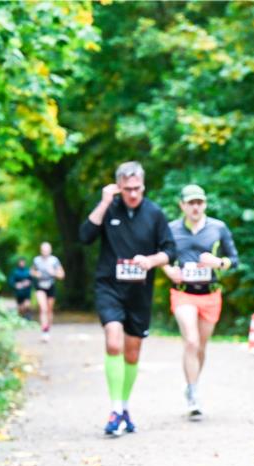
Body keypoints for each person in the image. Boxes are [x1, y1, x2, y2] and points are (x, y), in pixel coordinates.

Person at [80, 161, 176, 436]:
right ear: (118, 187)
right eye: (127, 189)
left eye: (137, 188)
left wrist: (150, 260)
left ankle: (123, 406)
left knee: (132, 353)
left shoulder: (154, 213)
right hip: (109, 286)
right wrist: (103, 202)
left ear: (143, 186)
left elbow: (170, 251)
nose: (133, 194)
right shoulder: (108, 208)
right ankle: (114, 409)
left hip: (139, 291)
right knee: (113, 342)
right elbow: (85, 236)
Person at [161, 184, 239, 420]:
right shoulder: (171, 229)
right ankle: (194, 394)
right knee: (191, 342)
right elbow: (160, 255)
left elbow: (234, 260)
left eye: (199, 202)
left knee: (201, 346)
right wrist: (168, 270)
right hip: (183, 292)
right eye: (191, 203)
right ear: (182, 205)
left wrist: (218, 263)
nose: (195, 207)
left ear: (204, 204)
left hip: (211, 293)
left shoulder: (218, 227)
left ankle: (192, 384)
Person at [31, 242, 65, 342]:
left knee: (49, 310)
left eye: (47, 250)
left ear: (50, 250)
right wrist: (36, 274)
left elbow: (62, 275)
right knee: (43, 308)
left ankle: (47, 329)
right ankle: (44, 331)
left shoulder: (54, 260)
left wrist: (53, 272)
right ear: (41, 250)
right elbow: (31, 271)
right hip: (40, 286)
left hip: (51, 286)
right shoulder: (36, 260)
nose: (45, 252)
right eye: (43, 250)